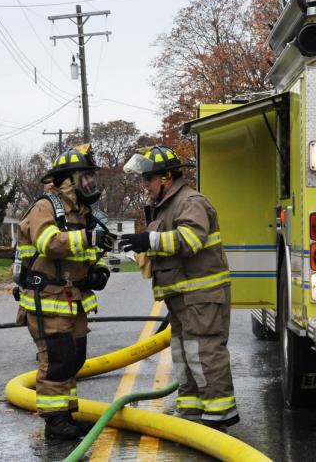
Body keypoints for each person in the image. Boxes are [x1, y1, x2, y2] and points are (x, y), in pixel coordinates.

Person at [119, 145, 239, 429]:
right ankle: (192, 409)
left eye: (148, 179)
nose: (144, 186)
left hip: (201, 295)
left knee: (204, 351)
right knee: (184, 353)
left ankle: (219, 412)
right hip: (183, 297)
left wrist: (149, 242)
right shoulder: (166, 206)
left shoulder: (190, 201)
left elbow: (191, 240)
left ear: (166, 178)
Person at [15, 144, 115, 440]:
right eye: (85, 178)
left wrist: (98, 270)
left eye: (90, 178)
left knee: (75, 358)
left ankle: (66, 412)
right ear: (68, 180)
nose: (90, 184)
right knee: (57, 360)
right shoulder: (46, 207)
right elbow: (49, 243)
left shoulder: (84, 212)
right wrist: (86, 237)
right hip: (49, 300)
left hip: (75, 300)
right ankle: (54, 421)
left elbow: (91, 250)